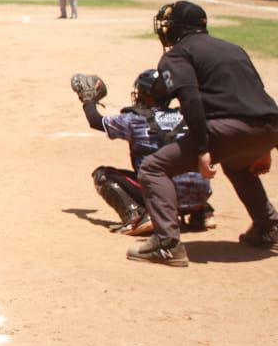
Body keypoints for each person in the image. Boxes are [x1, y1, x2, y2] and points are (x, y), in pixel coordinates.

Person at [130, 1, 278, 267]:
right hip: (271, 126)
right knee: (236, 164)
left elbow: (191, 100)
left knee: (153, 168)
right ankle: (269, 226)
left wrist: (201, 150)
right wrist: (264, 146)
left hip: (230, 128)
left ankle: (166, 244)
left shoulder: (177, 55)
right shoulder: (233, 48)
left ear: (178, 28)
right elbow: (257, 96)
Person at [75, 69, 213, 236]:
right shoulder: (187, 115)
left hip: (163, 195)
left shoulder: (135, 120)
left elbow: (96, 121)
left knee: (102, 176)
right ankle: (202, 213)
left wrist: (88, 99)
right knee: (184, 168)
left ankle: (137, 215)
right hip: (199, 195)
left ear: (145, 95)